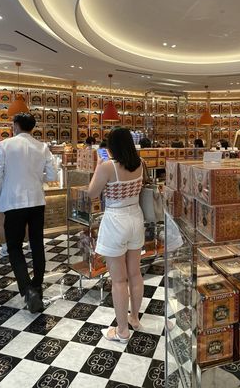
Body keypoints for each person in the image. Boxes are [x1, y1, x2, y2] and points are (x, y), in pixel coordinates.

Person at [0, 113, 57, 313]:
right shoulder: (42, 146)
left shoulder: (5, 145)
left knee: (14, 247)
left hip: (13, 202)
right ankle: (37, 285)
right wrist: (36, 178)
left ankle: (28, 289)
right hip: (37, 201)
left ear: (16, 125)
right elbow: (52, 174)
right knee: (36, 244)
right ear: (32, 127)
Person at [87, 128, 145, 343]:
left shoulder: (107, 166)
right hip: (136, 217)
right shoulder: (140, 163)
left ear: (111, 146)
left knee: (119, 280)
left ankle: (122, 331)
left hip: (115, 220)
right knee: (135, 274)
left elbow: (92, 193)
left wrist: (97, 167)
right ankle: (134, 318)